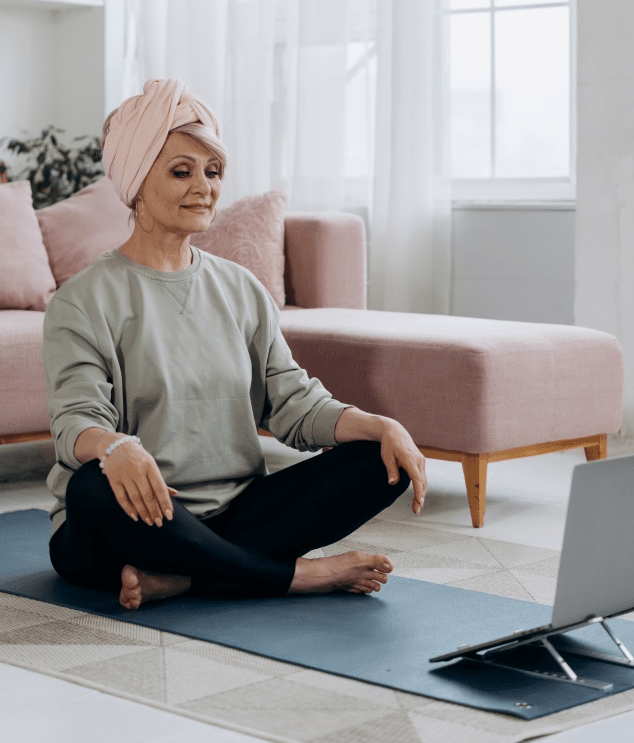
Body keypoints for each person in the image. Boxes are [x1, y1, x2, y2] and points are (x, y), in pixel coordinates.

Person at [44, 78, 427, 610]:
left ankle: (181, 578)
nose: (204, 186)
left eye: (213, 171)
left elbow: (292, 401)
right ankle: (294, 577)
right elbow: (75, 422)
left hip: (237, 513)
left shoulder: (241, 288)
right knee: (93, 486)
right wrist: (114, 446)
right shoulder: (82, 300)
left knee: (378, 462)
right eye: (182, 171)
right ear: (135, 183)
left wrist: (378, 424)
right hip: (134, 520)